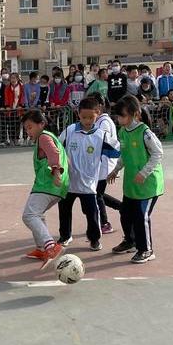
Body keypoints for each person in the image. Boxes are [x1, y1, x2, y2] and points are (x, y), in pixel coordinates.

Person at [56, 97, 118, 254]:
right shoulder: (70, 131)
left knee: (91, 213)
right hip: (68, 182)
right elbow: (57, 147)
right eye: (84, 117)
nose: (87, 120)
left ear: (97, 114)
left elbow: (116, 150)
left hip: (89, 184)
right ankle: (65, 236)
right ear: (78, 114)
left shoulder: (101, 135)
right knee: (64, 210)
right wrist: (61, 162)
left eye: (91, 117)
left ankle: (94, 239)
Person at [107, 95, 164, 264]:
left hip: (148, 185)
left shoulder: (145, 133)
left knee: (141, 217)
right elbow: (124, 155)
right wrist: (115, 170)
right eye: (117, 116)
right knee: (125, 214)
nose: (119, 119)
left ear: (135, 114)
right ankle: (130, 241)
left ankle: (146, 249)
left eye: (122, 115)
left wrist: (144, 172)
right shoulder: (123, 132)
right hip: (132, 184)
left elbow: (158, 153)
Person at [19, 109, 69, 268]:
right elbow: (66, 159)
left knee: (29, 215)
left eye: (30, 127)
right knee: (37, 214)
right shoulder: (52, 137)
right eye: (26, 128)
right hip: (56, 187)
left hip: (47, 185)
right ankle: (42, 248)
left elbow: (53, 155)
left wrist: (56, 173)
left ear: (41, 124)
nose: (28, 131)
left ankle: (50, 246)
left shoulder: (44, 137)